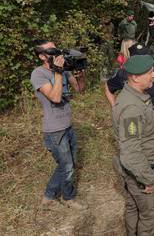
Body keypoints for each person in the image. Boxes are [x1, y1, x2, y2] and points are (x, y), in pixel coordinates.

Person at [30, 40, 86, 210]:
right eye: (51, 51)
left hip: (68, 124)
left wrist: (80, 72)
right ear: (42, 56)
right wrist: (58, 72)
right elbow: (54, 98)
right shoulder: (38, 74)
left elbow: (80, 89)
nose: (56, 53)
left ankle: (48, 197)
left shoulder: (64, 71)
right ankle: (68, 198)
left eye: (57, 49)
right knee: (66, 166)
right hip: (54, 129)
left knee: (68, 164)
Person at [111, 55, 154, 236]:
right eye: (150, 72)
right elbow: (131, 152)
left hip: (135, 171)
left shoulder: (135, 97)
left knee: (133, 208)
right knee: (149, 215)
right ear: (135, 77)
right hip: (142, 171)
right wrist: (148, 179)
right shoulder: (132, 108)